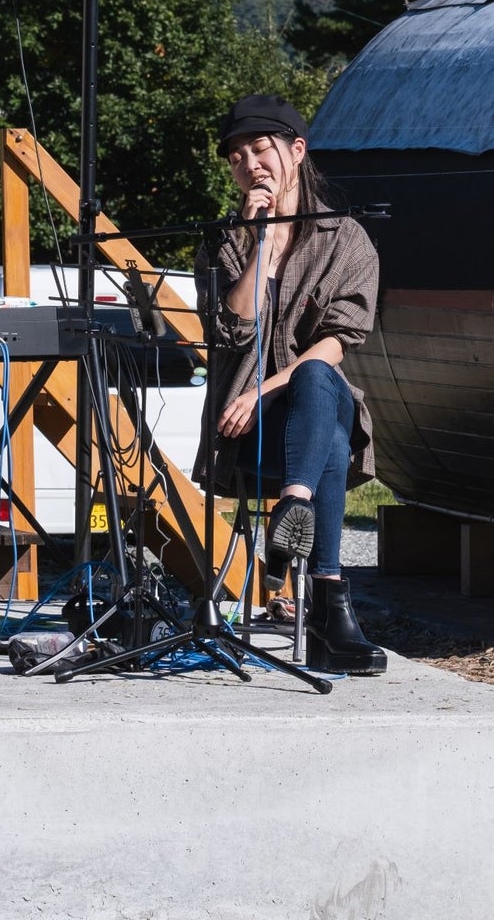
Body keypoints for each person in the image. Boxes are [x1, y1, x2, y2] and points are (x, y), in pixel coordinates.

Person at [196, 93, 387, 675]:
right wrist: (258, 242)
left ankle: (293, 507)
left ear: (296, 151)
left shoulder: (345, 239)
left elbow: (338, 340)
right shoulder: (224, 242)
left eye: (260, 149)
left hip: (294, 403)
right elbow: (231, 329)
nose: (249, 165)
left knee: (317, 378)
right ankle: (330, 608)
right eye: (236, 157)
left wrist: (264, 388)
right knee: (329, 439)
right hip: (250, 434)